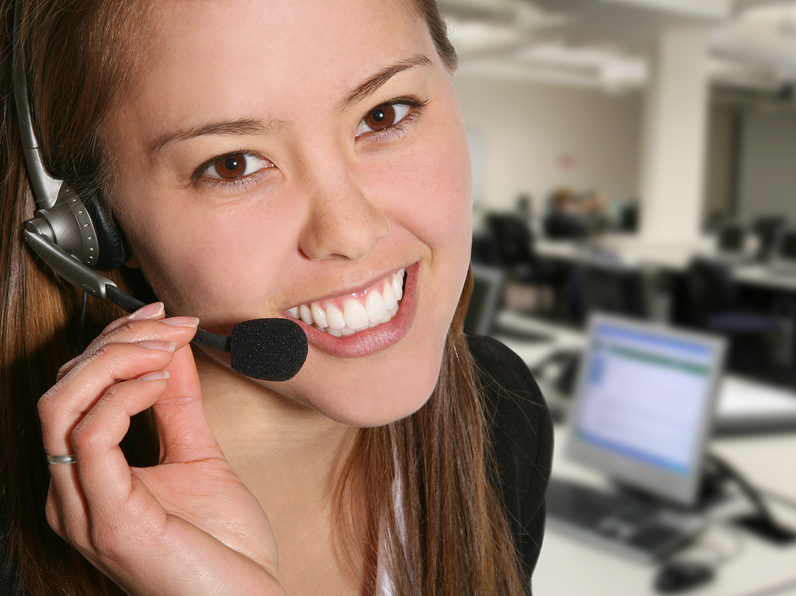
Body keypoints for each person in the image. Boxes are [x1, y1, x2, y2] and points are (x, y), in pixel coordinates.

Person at [0, 1, 553, 595]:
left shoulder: (503, 415)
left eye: (384, 114)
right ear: (93, 221)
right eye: (233, 165)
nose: (349, 231)